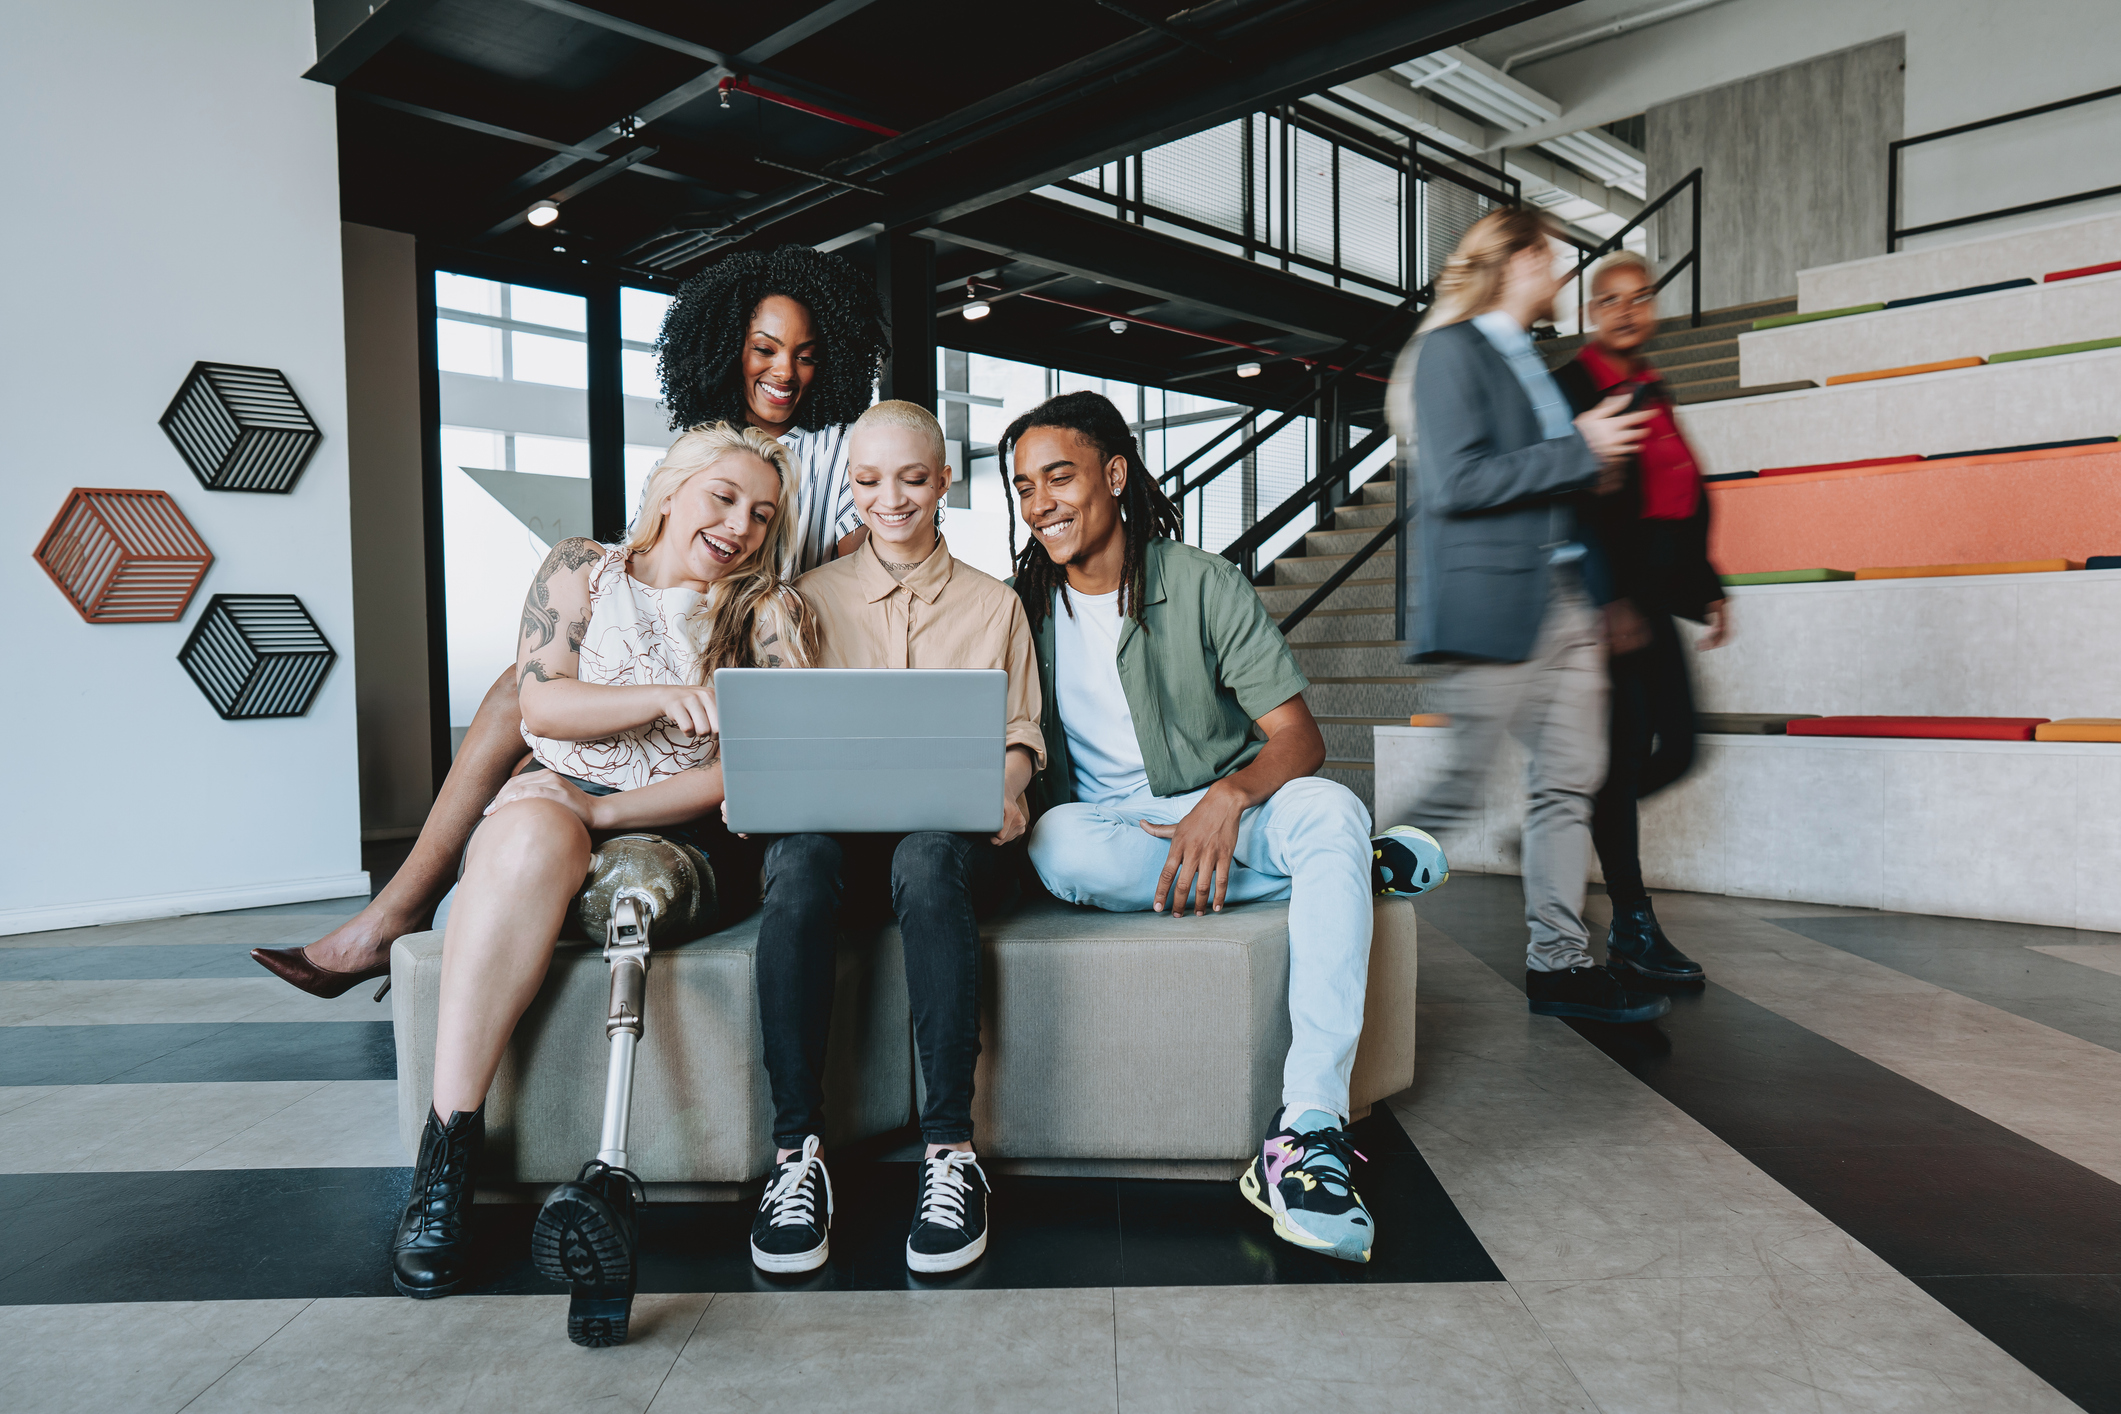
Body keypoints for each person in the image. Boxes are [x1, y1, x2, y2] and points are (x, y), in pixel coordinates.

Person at [253, 245, 888, 999]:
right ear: (725, 345)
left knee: (517, 703)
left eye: (806, 356)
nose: (785, 372)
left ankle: (404, 909)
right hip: (668, 656)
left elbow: (866, 556)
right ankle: (407, 906)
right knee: (522, 690)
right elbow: (641, 571)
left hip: (748, 650)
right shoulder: (698, 446)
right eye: (764, 350)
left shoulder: (841, 449)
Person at [389, 424, 816, 1337]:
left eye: (761, 514)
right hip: (556, 794)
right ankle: (447, 1154)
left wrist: (608, 814)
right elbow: (542, 700)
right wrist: (661, 699)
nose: (740, 525)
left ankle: (589, 1170)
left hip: (680, 832)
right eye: (723, 498)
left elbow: (760, 769)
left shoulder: (765, 612)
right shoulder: (579, 568)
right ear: (671, 491)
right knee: (528, 833)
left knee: (560, 830)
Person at [1003, 390, 1396, 1266]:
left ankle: (1308, 1129)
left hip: (1230, 806)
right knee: (1056, 847)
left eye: (1058, 477)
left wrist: (1225, 800)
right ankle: (1343, 872)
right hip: (1106, 832)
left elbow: (1300, 739)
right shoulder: (1018, 613)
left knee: (1330, 807)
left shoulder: (1202, 581)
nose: (1040, 505)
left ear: (1113, 475)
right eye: (1023, 488)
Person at [745, 401, 1043, 1278]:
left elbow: (1021, 736)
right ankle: (795, 1155)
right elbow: (781, 738)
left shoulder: (996, 606)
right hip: (838, 853)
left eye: (912, 478)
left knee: (925, 849)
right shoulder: (804, 602)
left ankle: (950, 1152)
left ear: (944, 481)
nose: (891, 499)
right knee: (797, 861)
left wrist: (1007, 789)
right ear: (849, 488)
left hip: (950, 856)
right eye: (869, 482)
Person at [1387, 208, 1672, 1025]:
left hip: (1564, 599)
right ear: (1514, 261)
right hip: (1494, 605)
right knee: (1457, 791)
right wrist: (1578, 448)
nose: (1560, 273)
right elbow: (1459, 482)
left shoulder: (1529, 361)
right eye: (1549, 255)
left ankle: (1560, 964)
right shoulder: (1451, 352)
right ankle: (1331, 890)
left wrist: (1597, 465)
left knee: (1567, 785)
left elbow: (1545, 475)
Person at [1554, 251, 1731, 985]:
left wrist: (1710, 588)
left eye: (1640, 297)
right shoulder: (1572, 386)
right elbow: (1563, 498)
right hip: (1606, 608)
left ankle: (1563, 824)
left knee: (1680, 749)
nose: (1627, 311)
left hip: (1654, 604)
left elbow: (1676, 499)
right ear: (1592, 314)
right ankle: (1632, 922)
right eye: (1610, 300)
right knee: (1624, 758)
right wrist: (1602, 599)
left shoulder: (1653, 387)